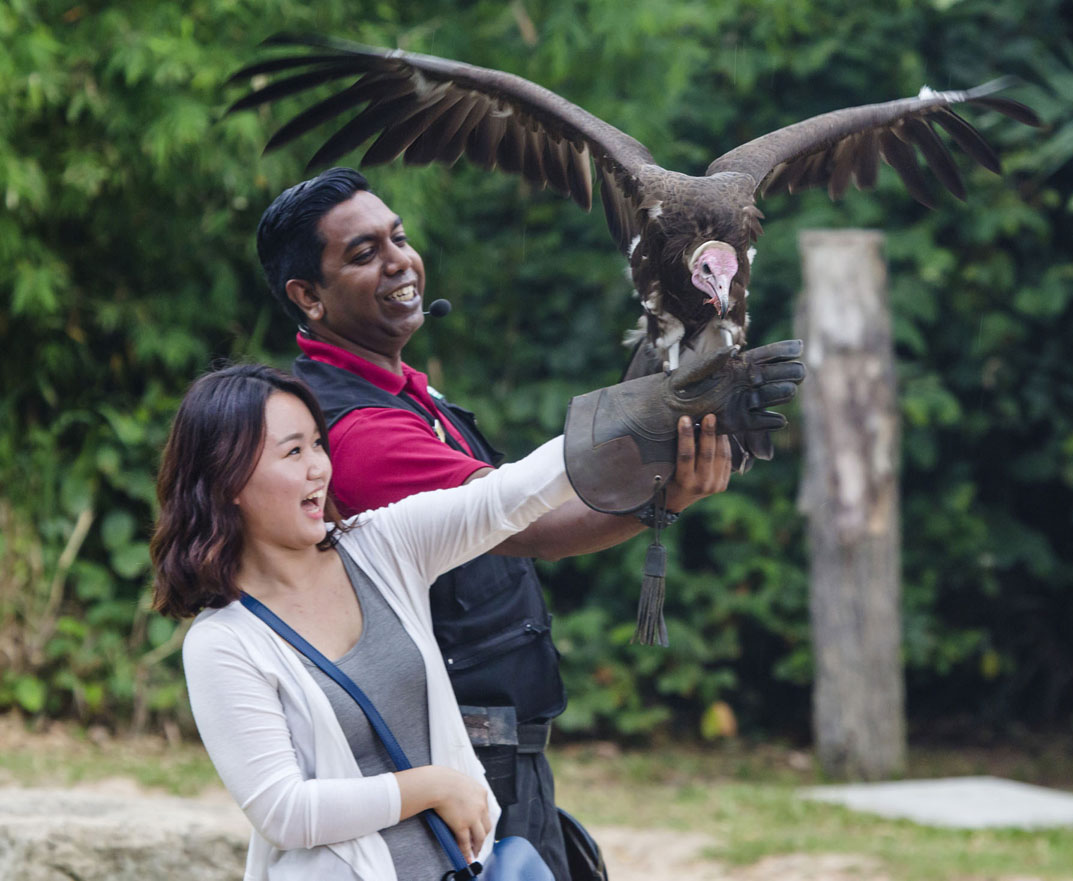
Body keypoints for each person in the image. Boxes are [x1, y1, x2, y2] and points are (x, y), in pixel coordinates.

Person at [254, 168, 736, 879]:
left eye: (400, 237)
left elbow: (530, 513)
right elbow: (526, 522)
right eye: (363, 253)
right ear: (307, 297)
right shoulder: (357, 431)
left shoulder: (408, 394)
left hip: (503, 752)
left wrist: (663, 490)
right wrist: (657, 467)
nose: (399, 261)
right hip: (455, 759)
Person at [151, 357, 802, 880]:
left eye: (318, 444)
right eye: (293, 452)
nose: (320, 466)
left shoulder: (382, 546)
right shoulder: (223, 642)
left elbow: (509, 496)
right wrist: (432, 785)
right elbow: (284, 810)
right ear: (229, 477)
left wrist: (647, 405)